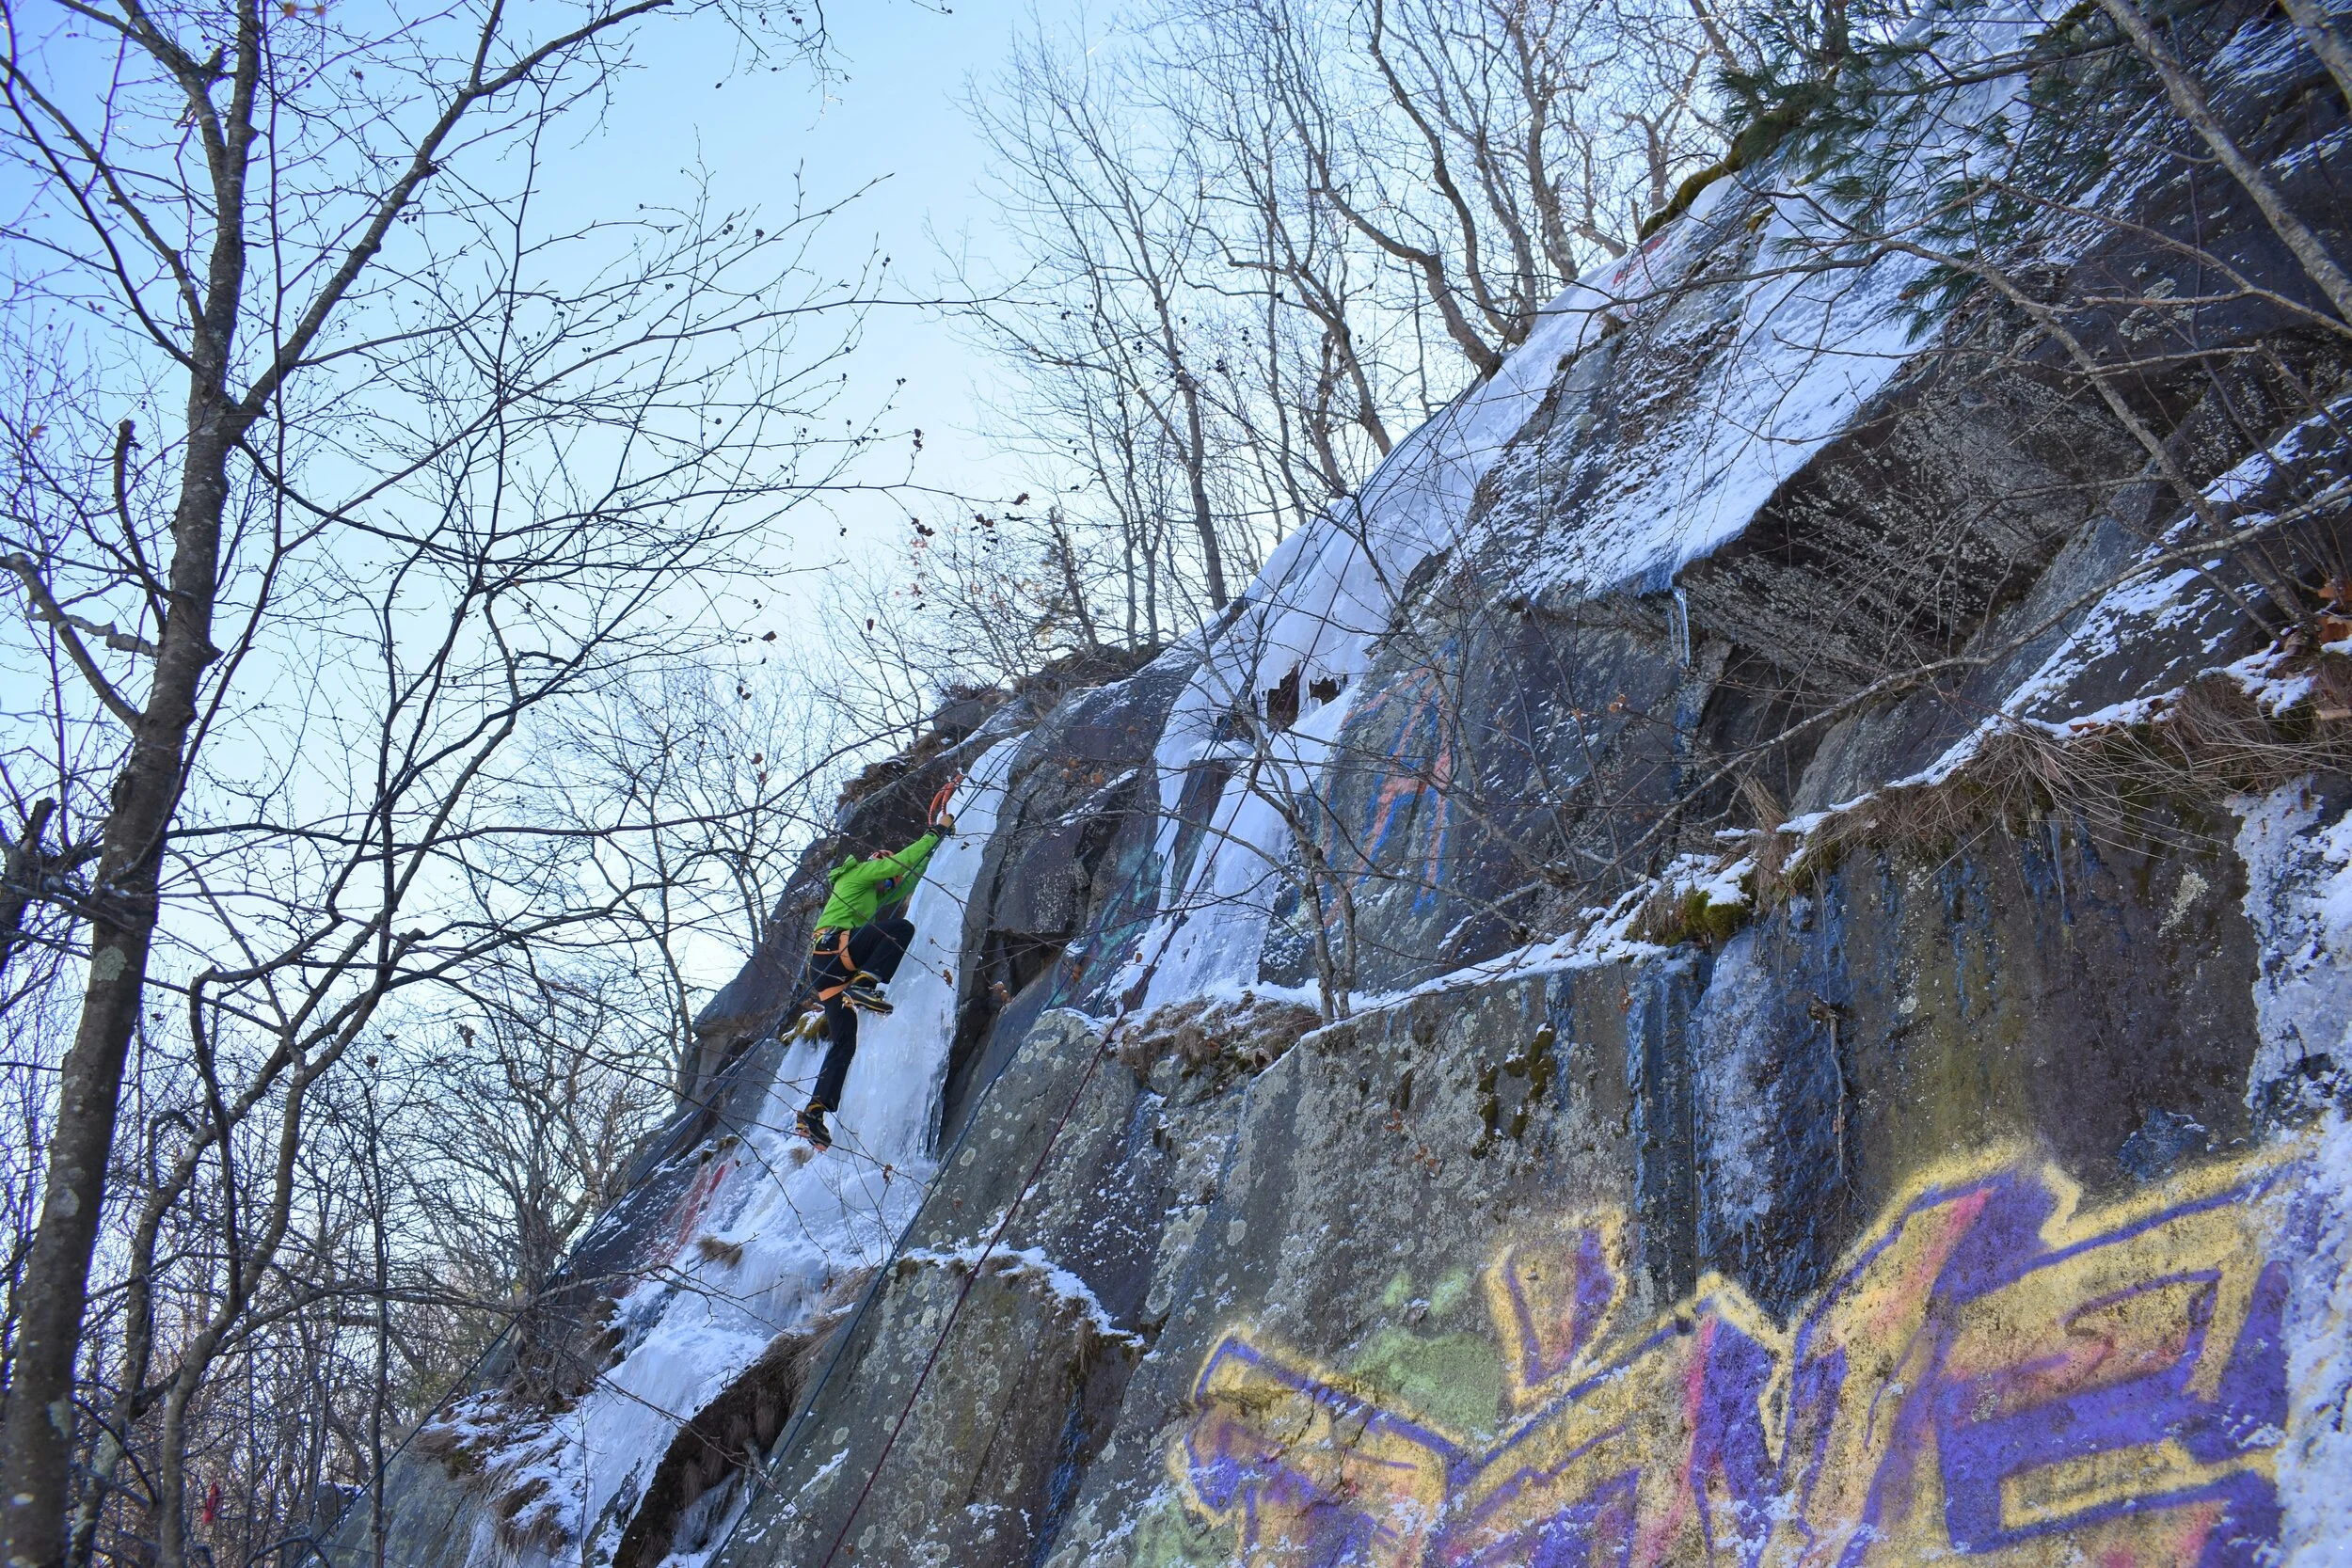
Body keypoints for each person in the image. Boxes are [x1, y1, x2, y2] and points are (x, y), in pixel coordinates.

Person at [793, 776, 960, 1150]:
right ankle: (865, 984)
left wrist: (936, 847)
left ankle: (815, 1112)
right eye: (884, 867)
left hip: (827, 971)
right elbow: (900, 863)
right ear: (875, 862)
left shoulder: (874, 891)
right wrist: (936, 831)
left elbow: (909, 875)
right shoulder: (858, 874)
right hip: (834, 952)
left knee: (844, 1044)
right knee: (899, 928)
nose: (890, 876)